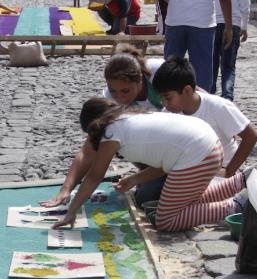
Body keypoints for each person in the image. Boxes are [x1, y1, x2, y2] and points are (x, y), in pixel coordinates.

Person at [52, 98, 247, 232]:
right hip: (208, 148)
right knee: (185, 203)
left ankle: (234, 207)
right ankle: (241, 181)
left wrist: (72, 211)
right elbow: (165, 163)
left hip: (199, 154)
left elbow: (95, 176)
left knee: (166, 220)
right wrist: (135, 179)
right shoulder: (130, 119)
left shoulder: (110, 133)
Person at [41, 46, 165, 208]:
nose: (119, 97)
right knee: (145, 199)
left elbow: (193, 97)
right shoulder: (109, 100)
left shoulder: (158, 72)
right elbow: (89, 150)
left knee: (160, 205)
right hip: (155, 154)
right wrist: (66, 189)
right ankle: (152, 176)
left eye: (125, 91)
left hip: (181, 148)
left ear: (140, 79)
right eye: (114, 91)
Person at [152, 56, 257, 180]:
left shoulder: (218, 107)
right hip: (187, 171)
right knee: (148, 192)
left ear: (187, 91)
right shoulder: (168, 114)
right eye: (162, 98)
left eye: (168, 98)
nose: (164, 103)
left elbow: (251, 136)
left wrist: (229, 171)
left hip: (220, 170)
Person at [163, 0, 233, 95]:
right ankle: (201, 105)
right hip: (202, 21)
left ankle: (169, 102)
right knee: (202, 74)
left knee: (170, 71)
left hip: (175, 19)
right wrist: (229, 27)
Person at [212, 0, 250, 99]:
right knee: (228, 67)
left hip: (213, 23)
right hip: (233, 24)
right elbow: (245, 7)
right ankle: (227, 96)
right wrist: (244, 27)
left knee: (212, 64)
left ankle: (209, 94)